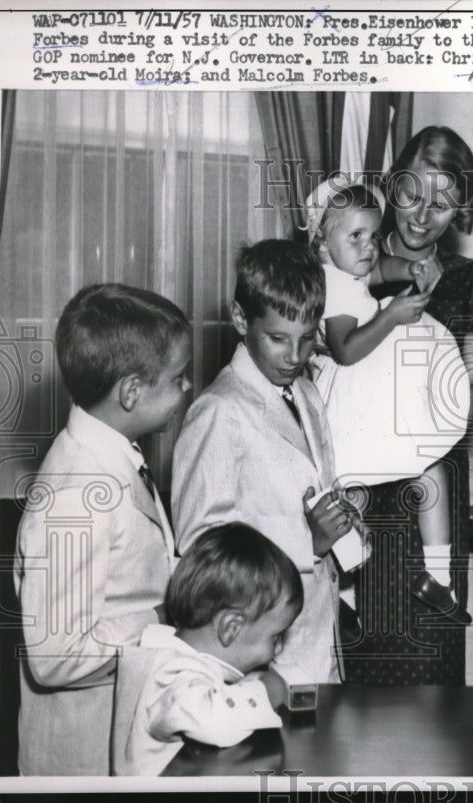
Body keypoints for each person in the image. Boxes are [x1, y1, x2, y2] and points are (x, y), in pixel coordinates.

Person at [343, 126, 473, 685]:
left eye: (442, 203)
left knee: (427, 667)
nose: (421, 215)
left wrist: (411, 421)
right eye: (411, 194)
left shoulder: (470, 281)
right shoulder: (348, 265)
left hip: (429, 494)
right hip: (353, 484)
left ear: (462, 208)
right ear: (392, 186)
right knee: (348, 658)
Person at [13, 283, 191, 775]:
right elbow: (56, 658)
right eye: (178, 377)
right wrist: (162, 617)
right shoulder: (75, 493)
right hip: (84, 759)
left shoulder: (116, 452)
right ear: (132, 392)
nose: (187, 387)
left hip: (125, 736)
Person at [172, 240, 356, 684]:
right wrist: (308, 542)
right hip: (259, 662)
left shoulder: (306, 391)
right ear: (241, 319)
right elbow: (200, 546)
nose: (294, 356)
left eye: (307, 338)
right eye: (277, 339)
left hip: (319, 642)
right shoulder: (218, 410)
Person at [305, 180, 471, 623]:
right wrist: (392, 315)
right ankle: (353, 586)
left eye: (374, 235)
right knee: (374, 486)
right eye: (355, 236)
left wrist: (410, 268)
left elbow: (381, 269)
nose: (368, 247)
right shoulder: (333, 287)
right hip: (356, 399)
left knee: (410, 472)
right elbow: (346, 350)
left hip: (377, 398)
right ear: (321, 241)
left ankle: (419, 578)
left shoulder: (349, 270)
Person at [113, 523, 302, 775]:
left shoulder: (168, 654)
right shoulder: (170, 672)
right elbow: (212, 721)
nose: (277, 650)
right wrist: (265, 692)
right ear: (231, 628)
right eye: (275, 637)